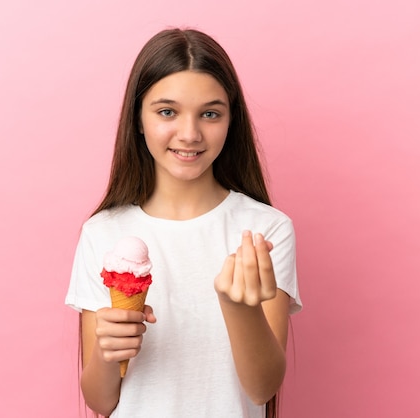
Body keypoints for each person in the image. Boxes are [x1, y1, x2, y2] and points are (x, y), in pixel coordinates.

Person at [65, 28, 302, 418]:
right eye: (167, 112)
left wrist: (237, 306)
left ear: (231, 121)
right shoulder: (102, 232)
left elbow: (262, 389)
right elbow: (100, 401)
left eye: (210, 113)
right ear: (138, 119)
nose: (190, 134)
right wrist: (109, 354)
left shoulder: (266, 230)